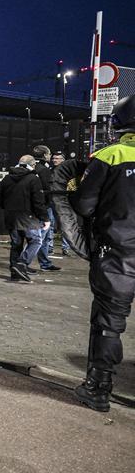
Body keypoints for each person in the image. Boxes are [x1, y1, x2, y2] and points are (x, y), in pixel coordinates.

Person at [72, 96, 135, 412]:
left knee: (109, 324)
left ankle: (98, 389)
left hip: (118, 255)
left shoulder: (111, 156)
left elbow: (84, 205)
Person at [0, 155, 49, 283]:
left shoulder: (7, 178)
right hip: (28, 217)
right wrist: (45, 218)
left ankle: (15, 272)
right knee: (36, 241)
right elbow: (38, 202)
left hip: (11, 216)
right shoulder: (33, 179)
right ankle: (21, 264)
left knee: (16, 244)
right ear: (32, 165)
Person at [30, 144, 61, 272]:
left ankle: (44, 262)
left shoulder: (32, 167)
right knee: (42, 237)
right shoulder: (44, 170)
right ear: (44, 155)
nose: (50, 157)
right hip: (44, 207)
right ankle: (28, 262)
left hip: (32, 206)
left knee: (39, 237)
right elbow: (48, 189)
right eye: (48, 154)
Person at [50, 151, 72, 257]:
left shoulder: (68, 171)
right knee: (50, 225)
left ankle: (66, 248)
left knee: (65, 225)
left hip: (64, 202)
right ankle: (50, 248)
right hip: (52, 201)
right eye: (54, 158)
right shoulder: (50, 170)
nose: (55, 160)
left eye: (57, 158)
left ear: (63, 160)